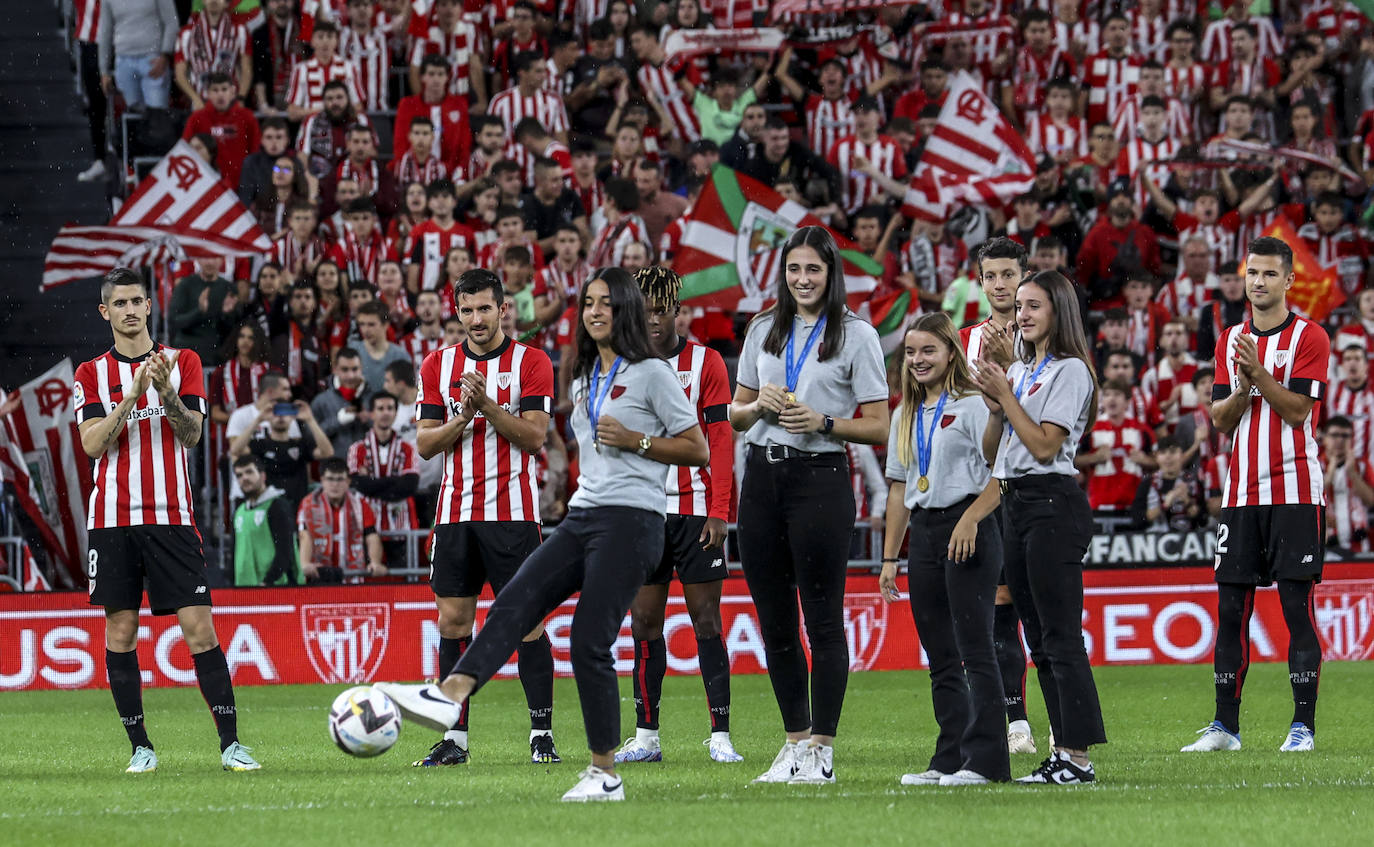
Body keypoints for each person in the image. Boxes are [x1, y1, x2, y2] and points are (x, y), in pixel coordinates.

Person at [377, 267, 707, 803]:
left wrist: (638, 441)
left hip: (632, 520)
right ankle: (450, 698)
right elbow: (429, 443)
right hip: (583, 514)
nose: (597, 311)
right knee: (514, 607)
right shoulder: (583, 377)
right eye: (590, 303)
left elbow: (698, 449)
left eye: (608, 303)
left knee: (585, 639)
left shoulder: (651, 373)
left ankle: (601, 771)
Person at [74, 267, 259, 774]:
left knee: (200, 628)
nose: (131, 310)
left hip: (172, 518)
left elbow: (194, 434)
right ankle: (141, 748)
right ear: (105, 311)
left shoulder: (184, 361)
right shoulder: (91, 374)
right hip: (112, 521)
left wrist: (165, 394)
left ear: (150, 307)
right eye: (121, 303)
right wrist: (131, 396)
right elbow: (92, 445)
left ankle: (231, 745)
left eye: (138, 301)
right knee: (121, 628)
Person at [728, 226, 891, 785]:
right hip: (761, 480)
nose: (802, 280)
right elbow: (735, 413)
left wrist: (824, 422)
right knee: (774, 622)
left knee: (821, 620)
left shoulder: (856, 335)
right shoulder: (761, 329)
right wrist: (757, 408)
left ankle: (822, 748)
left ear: (831, 274)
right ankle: (793, 744)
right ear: (783, 274)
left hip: (820, 478)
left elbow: (879, 425)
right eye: (794, 270)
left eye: (813, 270)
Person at [395, 269, 561, 767]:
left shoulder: (531, 362)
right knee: (453, 623)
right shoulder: (436, 365)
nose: (475, 319)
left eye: (484, 308)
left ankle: (541, 735)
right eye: (466, 310)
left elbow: (535, 439)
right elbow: (425, 445)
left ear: (503, 309)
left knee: (527, 624)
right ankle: (455, 740)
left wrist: (485, 403)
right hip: (455, 514)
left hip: (514, 514)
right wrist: (462, 419)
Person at [1182, 236, 1330, 754]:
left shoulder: (1311, 337)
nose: (1258, 282)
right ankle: (1225, 728)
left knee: (1295, 607)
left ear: (1289, 280)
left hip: (1295, 490)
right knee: (1230, 609)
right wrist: (1244, 385)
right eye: (1252, 273)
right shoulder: (1229, 339)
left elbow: (1296, 412)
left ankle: (1302, 728)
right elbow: (1222, 420)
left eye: (1269, 274)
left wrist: (1260, 374)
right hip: (1241, 493)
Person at [973, 269, 1106, 784]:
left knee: (1060, 636)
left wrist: (1006, 396)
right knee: (1041, 640)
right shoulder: (1027, 369)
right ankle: (1066, 755)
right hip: (1015, 502)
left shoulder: (1070, 370)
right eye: (1020, 306)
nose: (1021, 315)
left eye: (1033, 306)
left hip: (1051, 504)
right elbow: (994, 453)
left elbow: (1047, 446)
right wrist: (995, 404)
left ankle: (1076, 756)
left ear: (1058, 312)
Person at [614, 267, 739, 765]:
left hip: (693, 511)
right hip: (643, 511)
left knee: (706, 620)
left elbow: (722, 442)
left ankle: (721, 734)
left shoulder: (706, 363)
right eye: (645, 313)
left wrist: (720, 510)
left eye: (662, 312)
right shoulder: (621, 365)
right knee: (644, 621)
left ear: (677, 312)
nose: (654, 322)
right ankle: (646, 737)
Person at [880, 312, 1010, 787]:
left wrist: (972, 519)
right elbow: (898, 489)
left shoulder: (976, 406)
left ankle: (989, 761)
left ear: (951, 353)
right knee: (939, 656)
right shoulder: (903, 414)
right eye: (911, 352)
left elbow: (1003, 474)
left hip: (971, 528)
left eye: (928, 350)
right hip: (927, 535)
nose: (918, 360)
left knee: (976, 649)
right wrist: (891, 558)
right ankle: (950, 758)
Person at [962, 237, 1037, 755]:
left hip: (1028, 488)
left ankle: (1031, 723)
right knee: (990, 607)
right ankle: (1009, 719)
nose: (1000, 284)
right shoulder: (961, 340)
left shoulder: (1043, 336)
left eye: (1009, 274)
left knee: (1029, 609)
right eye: (991, 276)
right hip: (975, 488)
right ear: (981, 280)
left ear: (1023, 275)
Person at [346, 391, 420, 561]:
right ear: (371, 413)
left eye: (390, 408)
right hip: (367, 522)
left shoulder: (408, 448)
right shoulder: (357, 449)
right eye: (380, 408)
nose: (385, 413)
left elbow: (410, 485)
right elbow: (358, 484)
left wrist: (373, 485)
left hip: (401, 522)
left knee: (404, 577)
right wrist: (395, 481)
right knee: (370, 577)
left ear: (396, 412)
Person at [229, 394, 332, 507]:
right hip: (268, 506)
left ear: (292, 416)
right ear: (268, 416)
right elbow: (236, 450)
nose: (280, 416)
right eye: (276, 412)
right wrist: (258, 419)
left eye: (285, 412)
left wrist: (310, 419)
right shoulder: (260, 445)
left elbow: (327, 452)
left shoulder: (301, 444)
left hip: (297, 505)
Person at [297, 457, 388, 582]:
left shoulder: (360, 505)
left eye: (340, 479)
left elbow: (372, 536)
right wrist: (305, 563)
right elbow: (305, 536)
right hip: (319, 576)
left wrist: (375, 562)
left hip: (352, 577)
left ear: (348, 481)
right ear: (322, 480)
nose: (335, 484)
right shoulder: (308, 504)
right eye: (330, 479)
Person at [98, 0, 179, 113]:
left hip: (153, 60)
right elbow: (105, 32)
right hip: (123, 62)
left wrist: (165, 55)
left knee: (158, 115)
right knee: (132, 116)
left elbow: (172, 23)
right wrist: (104, 71)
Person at [231, 455, 300, 586]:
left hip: (275, 588)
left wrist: (267, 582)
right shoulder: (239, 512)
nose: (244, 478)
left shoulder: (278, 506)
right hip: (243, 589)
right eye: (239, 475)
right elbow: (235, 553)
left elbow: (285, 551)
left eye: (249, 472)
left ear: (263, 476)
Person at [170, 257, 240, 366]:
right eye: (206, 257)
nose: (210, 261)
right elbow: (175, 321)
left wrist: (226, 313)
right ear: (197, 259)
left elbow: (233, 330)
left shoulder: (229, 288)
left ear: (222, 260)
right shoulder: (185, 285)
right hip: (186, 356)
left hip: (217, 357)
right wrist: (199, 312)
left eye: (214, 257)